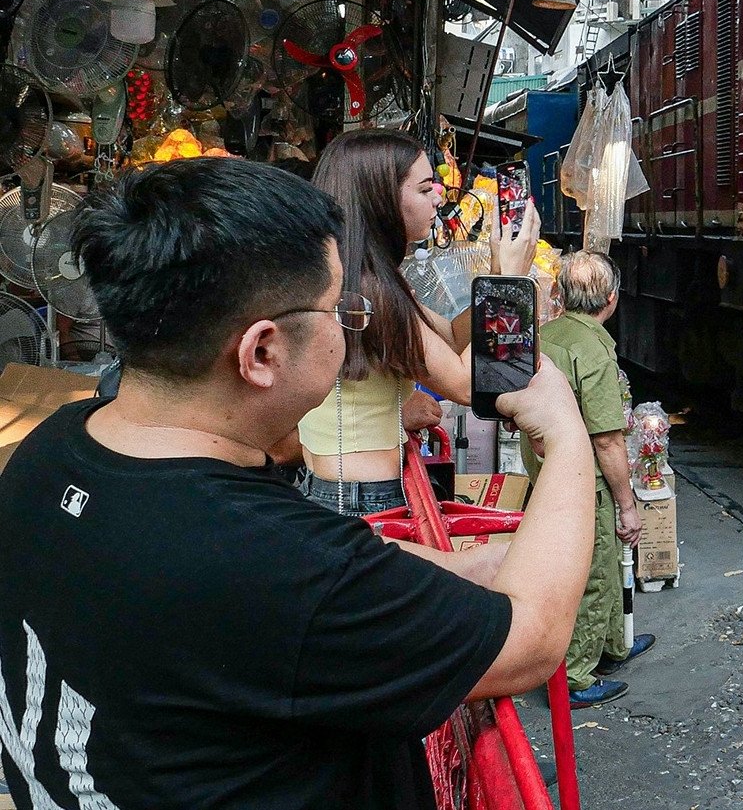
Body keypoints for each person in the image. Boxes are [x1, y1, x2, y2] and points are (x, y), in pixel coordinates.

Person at [0, 158, 596, 807]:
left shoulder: (51, 447)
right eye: (339, 310)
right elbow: (528, 638)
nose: (441, 199)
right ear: (261, 352)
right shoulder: (274, 564)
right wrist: (567, 435)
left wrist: (454, 566)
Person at [300, 129, 539, 514]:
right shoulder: (368, 291)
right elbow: (466, 384)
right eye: (425, 189)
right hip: (364, 499)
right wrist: (507, 287)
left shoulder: (354, 277)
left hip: (338, 490)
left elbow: (448, 336)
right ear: (381, 200)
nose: (439, 197)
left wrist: (499, 274)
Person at [522, 251, 654, 709]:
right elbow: (608, 442)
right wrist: (627, 505)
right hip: (585, 480)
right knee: (595, 573)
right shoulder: (593, 349)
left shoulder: (546, 336)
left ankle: (615, 645)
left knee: (606, 559)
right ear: (612, 299)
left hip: (548, 471)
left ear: (561, 294)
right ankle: (577, 676)